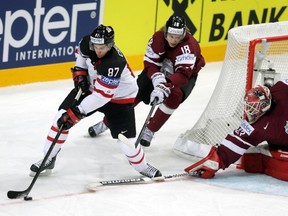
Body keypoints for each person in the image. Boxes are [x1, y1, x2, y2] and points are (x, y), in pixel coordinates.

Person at [30, 24, 162, 179]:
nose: (98, 50)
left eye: (103, 47)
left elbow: (102, 97)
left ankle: (143, 167)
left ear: (110, 45)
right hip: (93, 88)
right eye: (95, 46)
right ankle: (48, 158)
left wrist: (76, 114)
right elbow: (81, 57)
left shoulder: (114, 63)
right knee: (60, 118)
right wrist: (80, 74)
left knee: (126, 142)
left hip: (119, 98)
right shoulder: (87, 43)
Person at [88, 15, 206, 147]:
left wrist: (166, 85)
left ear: (183, 34)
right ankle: (107, 123)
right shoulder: (158, 38)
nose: (174, 40)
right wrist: (157, 77)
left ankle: (150, 130)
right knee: (135, 93)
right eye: (171, 36)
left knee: (174, 98)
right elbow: (150, 63)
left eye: (178, 37)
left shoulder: (189, 46)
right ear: (166, 32)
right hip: (158, 69)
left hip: (182, 77)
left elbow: (183, 75)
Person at [184, 79, 288, 181]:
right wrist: (214, 163)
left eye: (254, 108)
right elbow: (234, 143)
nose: (250, 111)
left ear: (264, 106)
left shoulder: (281, 88)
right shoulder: (256, 127)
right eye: (249, 107)